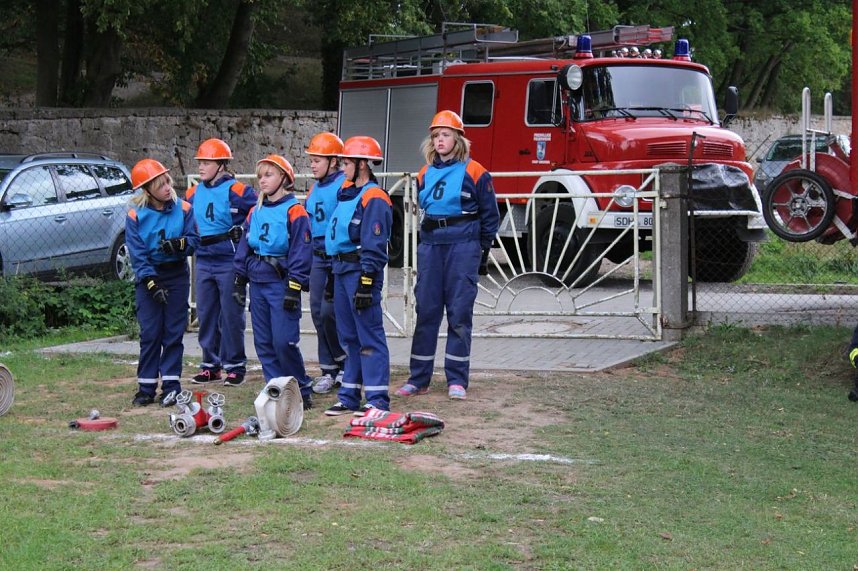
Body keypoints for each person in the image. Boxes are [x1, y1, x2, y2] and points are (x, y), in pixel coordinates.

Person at [395, 110, 499, 400]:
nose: (440, 140)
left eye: (445, 135)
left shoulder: (476, 171)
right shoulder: (424, 173)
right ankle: (419, 378)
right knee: (426, 311)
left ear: (458, 138)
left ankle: (457, 379)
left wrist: (483, 250)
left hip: (463, 244)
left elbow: (491, 215)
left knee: (459, 313)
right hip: (431, 245)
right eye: (436, 136)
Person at [233, 155, 314, 409]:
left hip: (281, 284)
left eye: (268, 175)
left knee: (284, 341)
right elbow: (244, 245)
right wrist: (238, 279)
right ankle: (276, 388)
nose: (262, 180)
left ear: (283, 178)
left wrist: (294, 286)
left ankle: (300, 387)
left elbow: (302, 250)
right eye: (260, 176)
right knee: (264, 342)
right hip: (257, 282)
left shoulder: (295, 211)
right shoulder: (254, 211)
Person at [323, 136, 393, 417]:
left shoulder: (374, 197)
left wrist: (366, 281)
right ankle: (349, 395)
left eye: (347, 162)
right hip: (341, 270)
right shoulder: (348, 193)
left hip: (359, 271)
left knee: (369, 336)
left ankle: (377, 399)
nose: (342, 168)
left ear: (362, 165)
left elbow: (374, 244)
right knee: (348, 336)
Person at [125, 159, 200, 407]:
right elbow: (137, 254)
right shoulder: (136, 215)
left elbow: (193, 240)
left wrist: (179, 244)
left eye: (167, 182)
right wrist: (151, 284)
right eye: (160, 186)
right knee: (150, 333)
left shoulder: (185, 209)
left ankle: (171, 385)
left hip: (177, 274)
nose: (168, 188)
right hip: (149, 276)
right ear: (147, 190)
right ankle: (146, 387)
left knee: (173, 332)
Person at [185, 138, 257, 387]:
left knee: (231, 315)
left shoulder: (238, 191)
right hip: (203, 260)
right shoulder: (193, 192)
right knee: (206, 313)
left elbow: (259, 210)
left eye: (207, 162)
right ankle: (210, 365)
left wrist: (244, 231)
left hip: (229, 260)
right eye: (200, 162)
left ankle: (235, 365)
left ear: (221, 165)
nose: (201, 167)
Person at [304, 132, 348, 394]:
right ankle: (328, 369)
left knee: (334, 313)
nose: (312, 164)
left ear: (333, 161)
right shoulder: (315, 187)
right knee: (319, 314)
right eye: (311, 159)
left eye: (317, 159)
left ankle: (346, 364)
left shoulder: (343, 184)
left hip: (336, 256)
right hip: (317, 256)